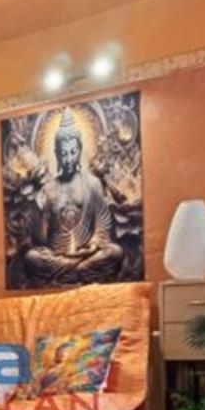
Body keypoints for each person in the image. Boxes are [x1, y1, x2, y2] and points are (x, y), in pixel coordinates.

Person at [21, 109, 124, 283]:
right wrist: (41, 211)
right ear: (57, 153)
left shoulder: (92, 183)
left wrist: (94, 243)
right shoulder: (48, 188)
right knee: (31, 258)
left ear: (80, 149)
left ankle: (69, 271)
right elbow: (41, 240)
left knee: (115, 252)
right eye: (64, 153)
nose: (68, 159)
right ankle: (78, 270)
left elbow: (102, 223)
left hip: (86, 253)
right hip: (57, 255)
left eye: (73, 152)